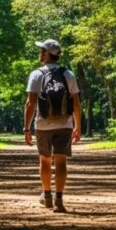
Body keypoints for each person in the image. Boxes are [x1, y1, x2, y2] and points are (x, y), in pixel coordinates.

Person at [24, 39, 81, 213]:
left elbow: (30, 104)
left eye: (42, 50)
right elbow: (76, 104)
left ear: (47, 53)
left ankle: (47, 195)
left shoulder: (36, 74)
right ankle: (59, 199)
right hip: (65, 124)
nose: (40, 53)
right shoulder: (68, 74)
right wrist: (77, 126)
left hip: (42, 124)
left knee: (45, 161)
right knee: (61, 162)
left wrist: (26, 128)